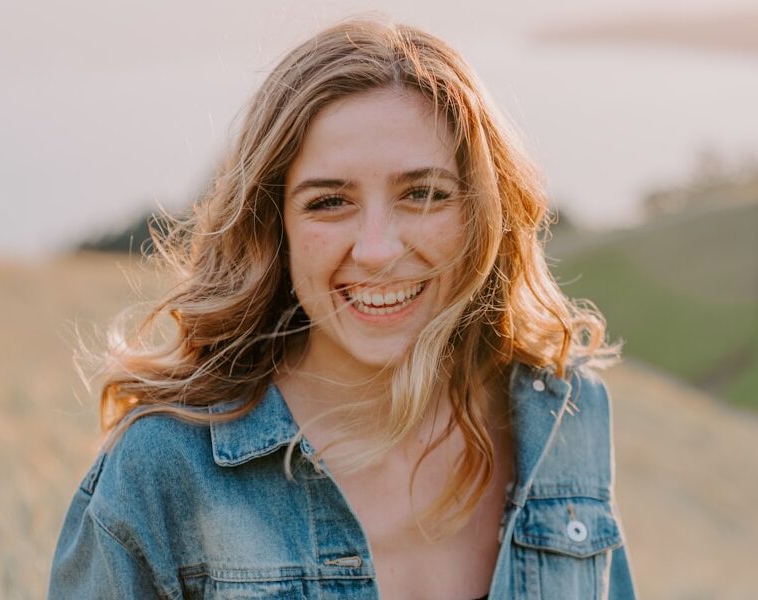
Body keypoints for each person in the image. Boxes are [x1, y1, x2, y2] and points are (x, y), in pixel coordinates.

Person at [48, 17, 638, 600]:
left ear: (481, 213)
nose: (377, 250)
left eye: (423, 194)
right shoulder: (163, 472)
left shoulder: (562, 419)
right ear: (274, 227)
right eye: (329, 202)